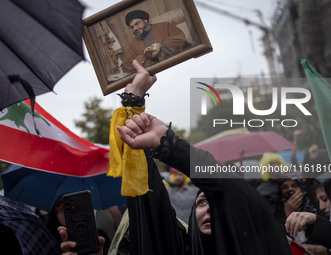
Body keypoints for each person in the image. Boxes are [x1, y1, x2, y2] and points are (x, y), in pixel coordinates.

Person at [59, 60, 292, 254]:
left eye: (215, 202)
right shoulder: (180, 249)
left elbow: (227, 185)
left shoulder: (263, 240)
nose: (209, 208)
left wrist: (168, 143)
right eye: (201, 203)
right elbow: (149, 203)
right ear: (191, 215)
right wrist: (133, 103)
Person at [123, 10, 191, 71]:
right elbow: (127, 63)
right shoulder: (133, 43)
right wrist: (144, 57)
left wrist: (161, 46)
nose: (135, 29)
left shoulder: (165, 26)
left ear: (145, 21)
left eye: (137, 24)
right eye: (132, 27)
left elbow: (180, 38)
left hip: (180, 64)